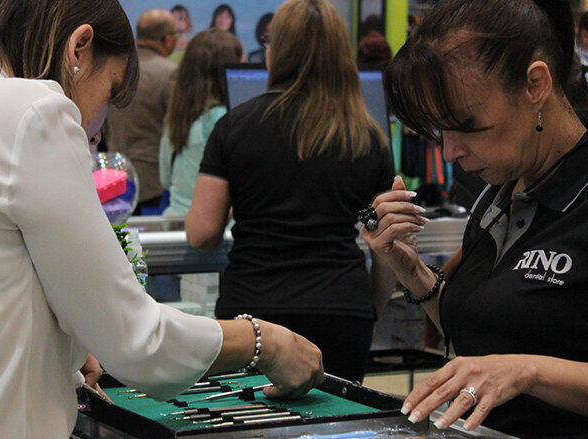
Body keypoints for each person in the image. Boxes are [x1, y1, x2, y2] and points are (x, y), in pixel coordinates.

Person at [0, 1, 326, 437]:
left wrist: (66, 346)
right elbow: (139, 342)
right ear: (80, 47)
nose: (96, 134)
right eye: (110, 93)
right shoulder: (31, 110)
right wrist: (265, 340)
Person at [364, 0, 588, 437]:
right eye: (441, 131)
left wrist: (528, 372)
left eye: (467, 126)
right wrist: (412, 271)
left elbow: (511, 362)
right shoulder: (501, 192)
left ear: (536, 84)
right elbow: (489, 327)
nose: (450, 153)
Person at [186, 0, 396, 383]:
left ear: (275, 50)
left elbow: (201, 234)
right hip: (342, 311)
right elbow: (389, 247)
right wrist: (370, 308)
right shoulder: (369, 137)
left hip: (254, 317)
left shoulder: (235, 127)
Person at [159, 29, 243, 217]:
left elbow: (165, 180)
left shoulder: (176, 118)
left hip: (175, 223)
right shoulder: (224, 120)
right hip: (215, 229)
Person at [105, 9, 178, 215]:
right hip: (154, 185)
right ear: (167, 39)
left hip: (115, 180)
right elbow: (175, 131)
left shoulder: (115, 68)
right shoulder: (170, 73)